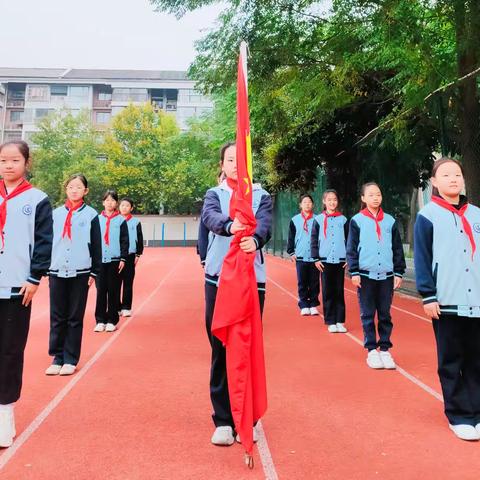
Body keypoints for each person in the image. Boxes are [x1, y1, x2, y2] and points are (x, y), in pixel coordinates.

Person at [201, 142, 272, 446]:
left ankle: (250, 418)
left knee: (248, 347)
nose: (235, 164)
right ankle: (223, 420)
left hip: (251, 280)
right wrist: (231, 227)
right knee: (221, 348)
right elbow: (211, 218)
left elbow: (266, 224)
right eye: (230, 159)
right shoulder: (214, 195)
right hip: (219, 280)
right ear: (222, 164)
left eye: (240, 159)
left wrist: (254, 241)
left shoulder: (261, 196)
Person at [414, 157, 480, 441]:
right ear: (435, 182)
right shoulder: (427, 216)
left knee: (477, 360)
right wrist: (428, 295)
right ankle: (459, 414)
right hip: (446, 301)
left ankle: (476, 412)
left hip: (476, 300)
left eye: (457, 174)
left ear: (463, 180)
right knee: (451, 359)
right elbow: (422, 258)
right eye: (446, 175)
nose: (453, 179)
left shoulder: (477, 215)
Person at [0, 140, 52, 448]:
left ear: (26, 163)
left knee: (9, 351)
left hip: (18, 288)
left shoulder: (38, 199)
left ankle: (5, 415)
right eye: (3, 160)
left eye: (14, 160)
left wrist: (34, 278)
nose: (8, 165)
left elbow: (44, 242)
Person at [46, 174, 101, 376]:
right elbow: (47, 240)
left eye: (78, 187)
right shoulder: (55, 214)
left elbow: (96, 245)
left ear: (85, 191)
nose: (74, 190)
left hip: (81, 271)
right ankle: (57, 357)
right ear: (66, 190)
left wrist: (95, 271)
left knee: (74, 317)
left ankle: (70, 358)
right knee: (57, 316)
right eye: (71, 187)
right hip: (56, 270)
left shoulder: (92, 215)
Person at [347, 182, 405, 370]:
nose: (375, 198)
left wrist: (399, 271)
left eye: (378, 194)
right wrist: (354, 272)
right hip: (365, 275)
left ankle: (385, 349)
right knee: (367, 313)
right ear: (363, 198)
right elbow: (351, 249)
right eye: (371, 195)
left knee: (385, 313)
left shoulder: (390, 221)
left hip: (387, 275)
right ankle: (372, 350)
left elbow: (397, 248)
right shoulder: (356, 221)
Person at [311, 189, 348, 333]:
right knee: (327, 291)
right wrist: (316, 259)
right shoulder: (318, 220)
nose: (332, 202)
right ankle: (331, 320)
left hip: (340, 261)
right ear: (324, 201)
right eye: (329, 199)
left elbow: (350, 240)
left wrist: (349, 258)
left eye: (335, 200)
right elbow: (313, 240)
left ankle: (340, 321)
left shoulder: (343, 219)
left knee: (339, 291)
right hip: (324, 261)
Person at [94, 190, 128, 333]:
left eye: (113, 200)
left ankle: (112, 320)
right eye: (107, 200)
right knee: (101, 290)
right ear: (103, 202)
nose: (110, 203)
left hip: (115, 260)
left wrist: (123, 258)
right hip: (100, 260)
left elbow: (124, 240)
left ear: (116, 203)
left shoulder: (120, 220)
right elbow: (93, 240)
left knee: (113, 291)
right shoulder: (96, 219)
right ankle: (100, 320)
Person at [287, 195, 320, 316]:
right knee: (302, 282)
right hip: (300, 255)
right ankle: (304, 304)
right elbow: (291, 237)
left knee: (314, 282)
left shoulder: (318, 219)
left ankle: (313, 304)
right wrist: (291, 251)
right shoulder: (294, 220)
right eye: (304, 202)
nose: (307, 204)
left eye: (309, 202)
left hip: (314, 257)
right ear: (300, 205)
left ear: (312, 205)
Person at [118, 197, 143, 317]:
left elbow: (140, 238)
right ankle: (116, 306)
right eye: (122, 205)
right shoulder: (115, 221)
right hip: (116, 256)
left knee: (128, 282)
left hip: (130, 255)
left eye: (127, 205)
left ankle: (126, 307)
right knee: (115, 283)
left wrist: (138, 254)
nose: (124, 207)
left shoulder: (136, 222)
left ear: (131, 208)